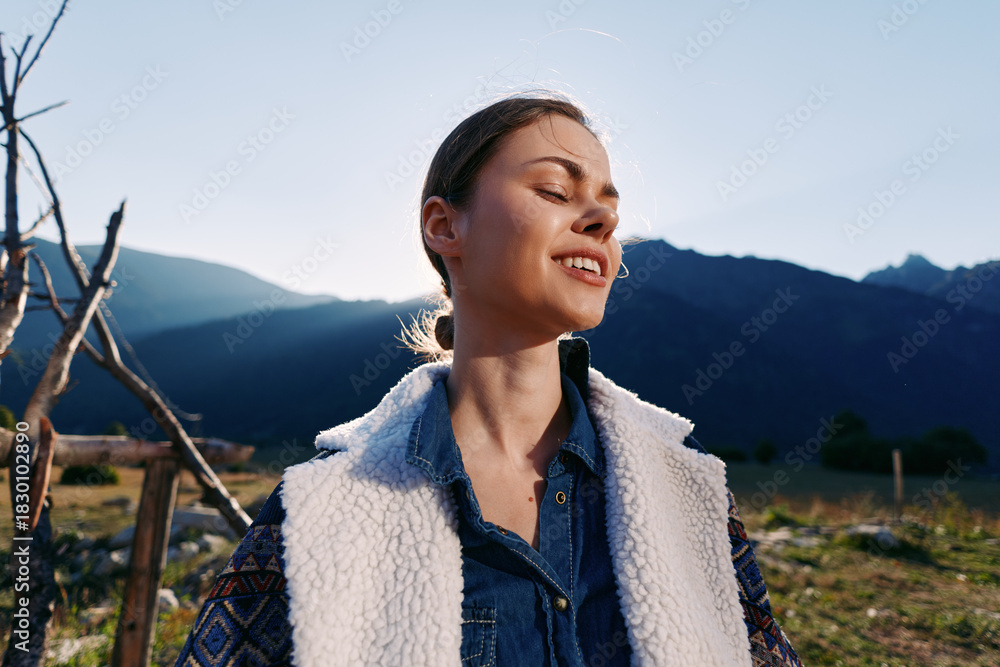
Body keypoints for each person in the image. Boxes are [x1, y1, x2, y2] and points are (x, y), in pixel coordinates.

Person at [174, 94, 803, 667]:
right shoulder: (326, 508)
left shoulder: (685, 485)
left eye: (610, 209)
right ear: (445, 227)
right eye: (557, 190)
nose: (603, 223)